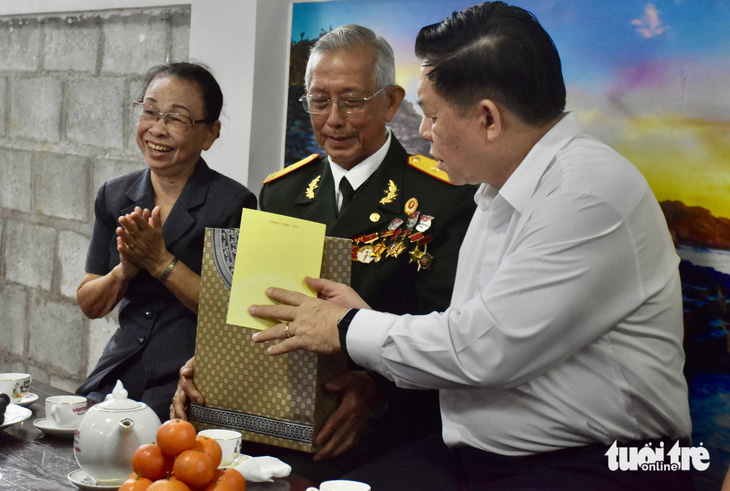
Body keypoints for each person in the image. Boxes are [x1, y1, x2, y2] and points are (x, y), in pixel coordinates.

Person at [248, 3, 694, 490]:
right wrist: (358, 316)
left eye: (433, 116)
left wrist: (348, 325)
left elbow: (481, 350)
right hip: (480, 452)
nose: (423, 132)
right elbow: (463, 328)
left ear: (488, 119)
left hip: (605, 462)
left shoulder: (585, 194)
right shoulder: (499, 189)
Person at [171, 25, 476, 480]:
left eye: (351, 101)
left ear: (391, 102)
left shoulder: (443, 196)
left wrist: (375, 390)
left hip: (387, 431)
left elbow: (452, 335)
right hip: (277, 418)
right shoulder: (281, 191)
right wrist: (213, 364)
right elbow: (256, 311)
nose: (332, 119)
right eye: (318, 101)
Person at [76, 62, 257, 421]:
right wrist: (123, 272)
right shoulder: (114, 196)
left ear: (210, 133)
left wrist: (161, 263)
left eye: (176, 118)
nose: (157, 129)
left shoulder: (233, 204)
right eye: (150, 111)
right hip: (121, 367)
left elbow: (237, 318)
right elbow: (90, 303)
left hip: (193, 376)